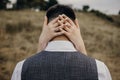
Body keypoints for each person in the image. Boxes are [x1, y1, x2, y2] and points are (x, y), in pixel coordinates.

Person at [11, 4, 112, 80]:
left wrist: (41, 44)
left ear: (45, 23)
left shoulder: (21, 68)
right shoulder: (99, 68)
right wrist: (82, 47)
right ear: (76, 25)